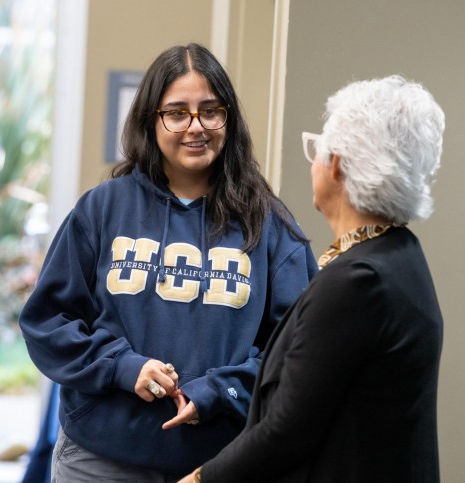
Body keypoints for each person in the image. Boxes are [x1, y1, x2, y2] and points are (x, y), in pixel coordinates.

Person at [18, 42, 318, 482]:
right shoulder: (103, 209)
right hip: (101, 459)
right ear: (150, 121)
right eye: (177, 112)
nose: (196, 127)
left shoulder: (268, 224)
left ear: (228, 119)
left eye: (210, 111)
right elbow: (47, 322)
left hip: (220, 464)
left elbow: (297, 350)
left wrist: (219, 391)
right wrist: (124, 366)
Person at [179, 74, 446, 482]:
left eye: (318, 149)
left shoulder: (358, 282)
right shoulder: (399, 254)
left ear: (337, 165)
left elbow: (286, 429)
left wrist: (199, 480)